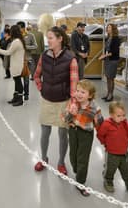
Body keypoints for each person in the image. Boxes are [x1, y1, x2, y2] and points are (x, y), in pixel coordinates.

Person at [33, 26, 79, 175]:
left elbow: (74, 83)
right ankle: (43, 158)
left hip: (63, 102)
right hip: (47, 100)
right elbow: (36, 75)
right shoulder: (44, 56)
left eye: (51, 37)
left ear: (60, 39)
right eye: (48, 37)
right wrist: (41, 88)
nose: (48, 40)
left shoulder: (70, 58)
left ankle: (61, 162)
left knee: (62, 134)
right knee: (44, 132)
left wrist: (73, 102)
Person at [64, 79, 103, 196]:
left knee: (83, 158)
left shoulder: (95, 108)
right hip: (72, 131)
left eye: (83, 92)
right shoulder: (72, 103)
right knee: (73, 155)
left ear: (90, 95)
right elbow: (65, 119)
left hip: (86, 134)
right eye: (77, 91)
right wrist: (70, 113)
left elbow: (100, 125)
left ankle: (80, 182)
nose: (79, 94)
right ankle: (77, 170)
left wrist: (105, 139)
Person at [96, 101, 128, 195]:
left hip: (124, 153)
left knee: (127, 170)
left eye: (123, 115)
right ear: (111, 114)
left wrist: (127, 125)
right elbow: (100, 135)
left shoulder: (125, 124)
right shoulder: (106, 124)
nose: (122, 118)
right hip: (112, 153)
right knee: (110, 169)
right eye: (119, 116)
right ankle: (108, 181)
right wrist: (105, 143)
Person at [0, 25, 26, 106]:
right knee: (16, 81)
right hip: (17, 64)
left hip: (16, 65)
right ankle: (15, 97)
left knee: (18, 82)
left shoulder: (16, 41)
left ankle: (20, 100)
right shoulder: (19, 40)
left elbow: (8, 52)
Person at [98, 24, 120, 102]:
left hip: (113, 60)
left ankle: (111, 95)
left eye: (109, 27)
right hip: (107, 59)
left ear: (113, 29)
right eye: (107, 27)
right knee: (107, 77)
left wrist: (104, 56)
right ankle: (108, 93)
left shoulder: (116, 38)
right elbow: (106, 49)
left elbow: (114, 51)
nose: (108, 29)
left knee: (111, 78)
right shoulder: (108, 38)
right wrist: (104, 55)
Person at [18, 21, 37, 101]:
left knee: (26, 79)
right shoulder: (16, 37)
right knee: (17, 79)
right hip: (18, 60)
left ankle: (26, 94)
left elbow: (35, 46)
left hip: (27, 60)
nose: (18, 30)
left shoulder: (30, 35)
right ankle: (18, 94)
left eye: (19, 28)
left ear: (23, 28)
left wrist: (26, 47)